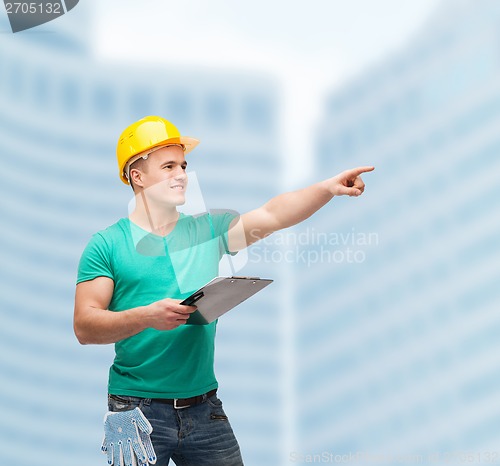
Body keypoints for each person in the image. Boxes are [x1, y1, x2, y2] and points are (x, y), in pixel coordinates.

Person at [73, 115, 374, 466]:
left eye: (183, 165)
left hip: (204, 409)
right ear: (137, 177)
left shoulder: (207, 231)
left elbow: (273, 215)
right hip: (135, 411)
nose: (181, 174)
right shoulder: (107, 245)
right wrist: (148, 315)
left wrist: (326, 189)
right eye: (168, 166)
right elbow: (85, 325)